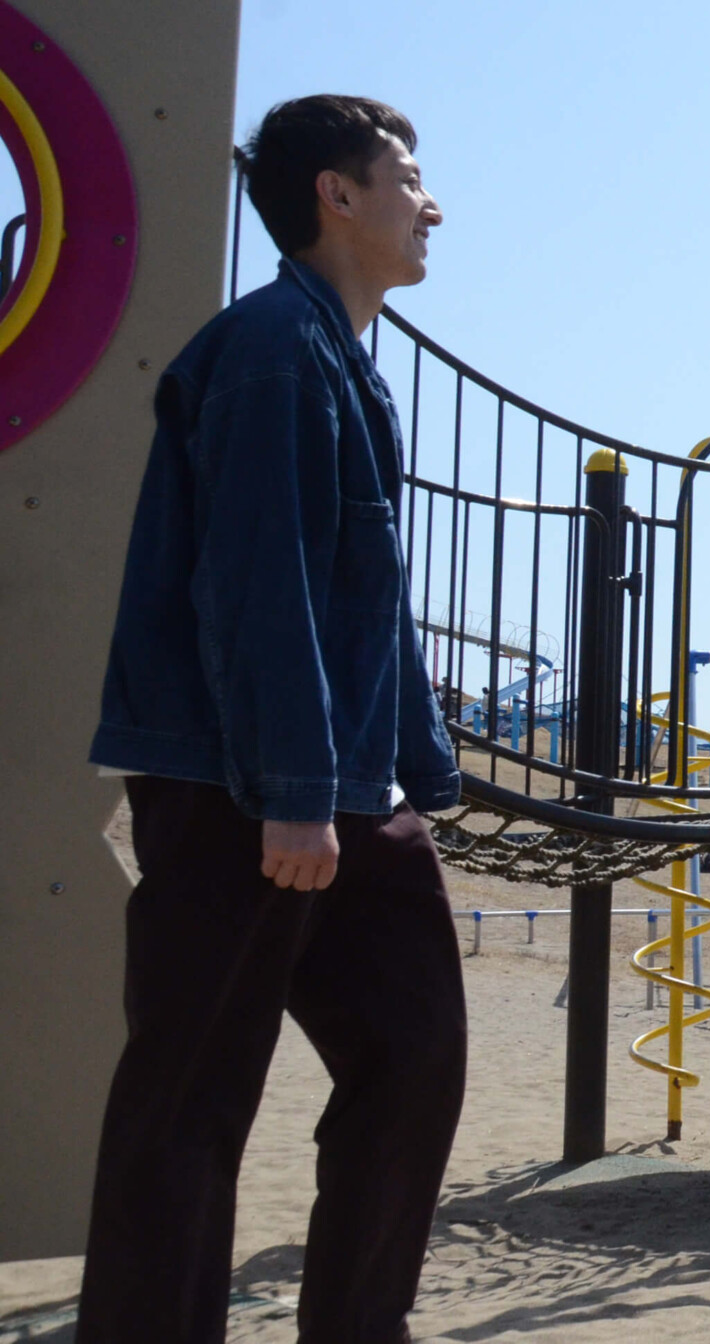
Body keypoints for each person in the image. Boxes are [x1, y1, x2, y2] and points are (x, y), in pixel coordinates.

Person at [79, 96, 464, 1342]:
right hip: (237, 789)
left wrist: (417, 775)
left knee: (412, 1062)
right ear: (335, 198)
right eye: (406, 176)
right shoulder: (267, 354)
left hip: (347, 791)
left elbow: (359, 601)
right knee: (191, 1098)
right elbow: (260, 581)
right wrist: (297, 787)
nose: (432, 201)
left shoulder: (341, 365)